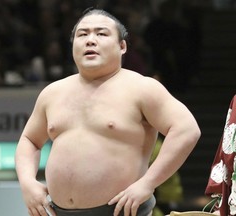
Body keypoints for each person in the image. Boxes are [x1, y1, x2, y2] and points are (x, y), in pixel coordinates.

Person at [15, 9, 201, 216]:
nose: (90, 40)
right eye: (82, 34)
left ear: (122, 46)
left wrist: (147, 184)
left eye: (101, 34)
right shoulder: (52, 93)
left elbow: (186, 130)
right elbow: (29, 140)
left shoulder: (142, 88)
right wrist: (27, 182)